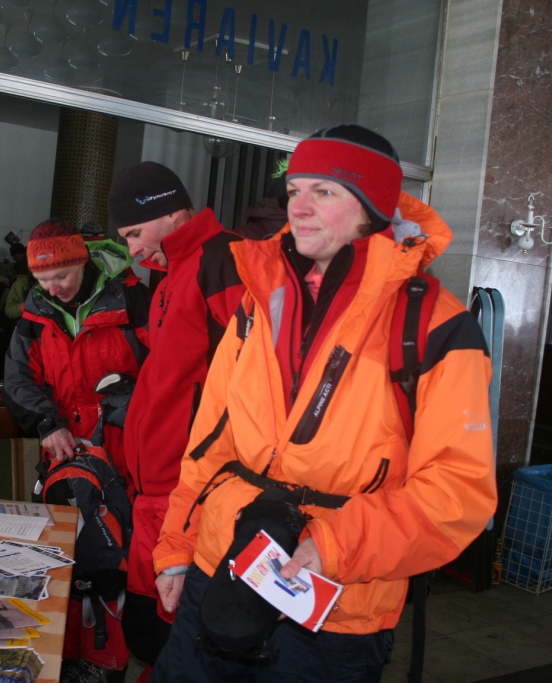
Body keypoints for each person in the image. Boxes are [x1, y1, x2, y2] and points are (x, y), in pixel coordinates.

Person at [150, 125, 498, 682]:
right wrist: (178, 546)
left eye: (325, 192)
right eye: (294, 191)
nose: (299, 208)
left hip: (335, 607)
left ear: (371, 208)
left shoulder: (435, 326)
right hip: (222, 571)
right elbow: (211, 443)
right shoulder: (257, 302)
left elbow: (458, 494)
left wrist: (333, 546)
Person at [108, 162, 246, 678]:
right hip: (153, 493)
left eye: (135, 233)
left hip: (192, 494)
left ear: (171, 212)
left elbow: (253, 385)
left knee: (178, 637)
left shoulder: (225, 260)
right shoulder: (169, 278)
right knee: (148, 631)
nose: (133, 251)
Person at [3, 219, 150, 680]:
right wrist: (48, 426)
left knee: (113, 560)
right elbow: (18, 380)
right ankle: (62, 656)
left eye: (61, 277)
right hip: (64, 457)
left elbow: (168, 371)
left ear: (82, 261)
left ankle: (108, 661)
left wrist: (131, 401)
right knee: (62, 557)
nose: (54, 288)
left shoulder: (133, 302)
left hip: (127, 458)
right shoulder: (35, 312)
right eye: (43, 281)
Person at [4, 243, 33, 320]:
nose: (14, 259)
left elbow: (9, 310)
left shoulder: (21, 272)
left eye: (15, 256)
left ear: (20, 254)